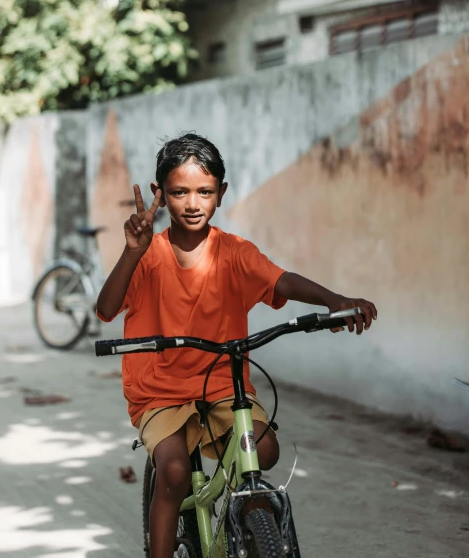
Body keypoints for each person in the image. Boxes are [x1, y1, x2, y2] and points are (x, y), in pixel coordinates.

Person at [96, 133, 377, 558]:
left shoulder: (234, 253)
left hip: (224, 387)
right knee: (172, 470)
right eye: (179, 192)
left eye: (205, 192)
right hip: (160, 390)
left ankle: (252, 527)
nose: (193, 203)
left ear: (221, 194)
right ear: (160, 194)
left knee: (264, 448)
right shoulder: (148, 255)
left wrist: (333, 301)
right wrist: (131, 252)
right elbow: (106, 308)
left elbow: (280, 279)